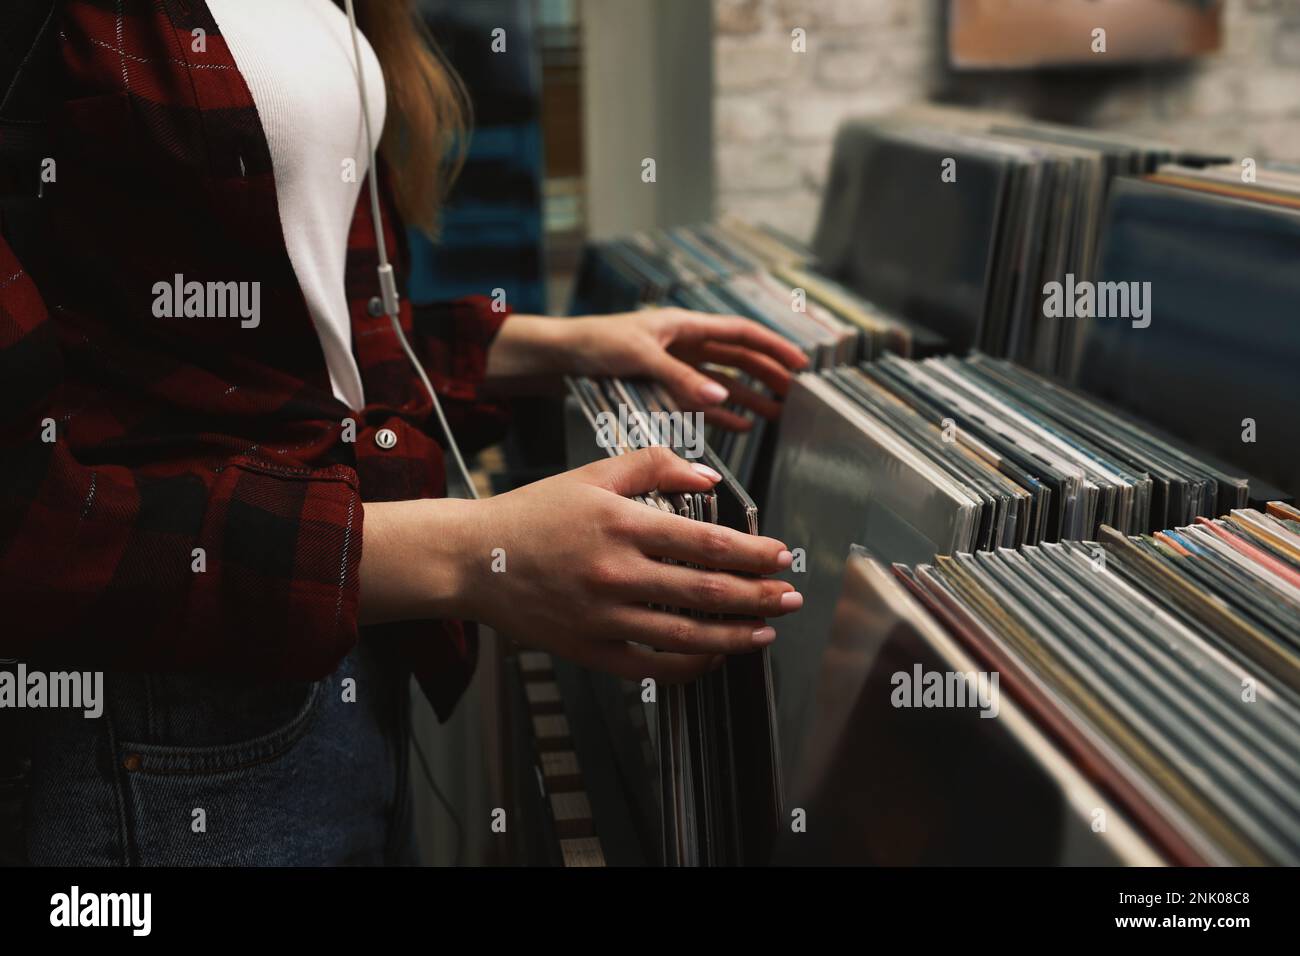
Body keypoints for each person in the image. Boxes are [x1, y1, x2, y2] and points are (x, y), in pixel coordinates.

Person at [0, 1, 805, 865]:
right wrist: (472, 552)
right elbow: (29, 525)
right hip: (154, 728)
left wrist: (564, 344)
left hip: (346, 657)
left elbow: (301, 344)